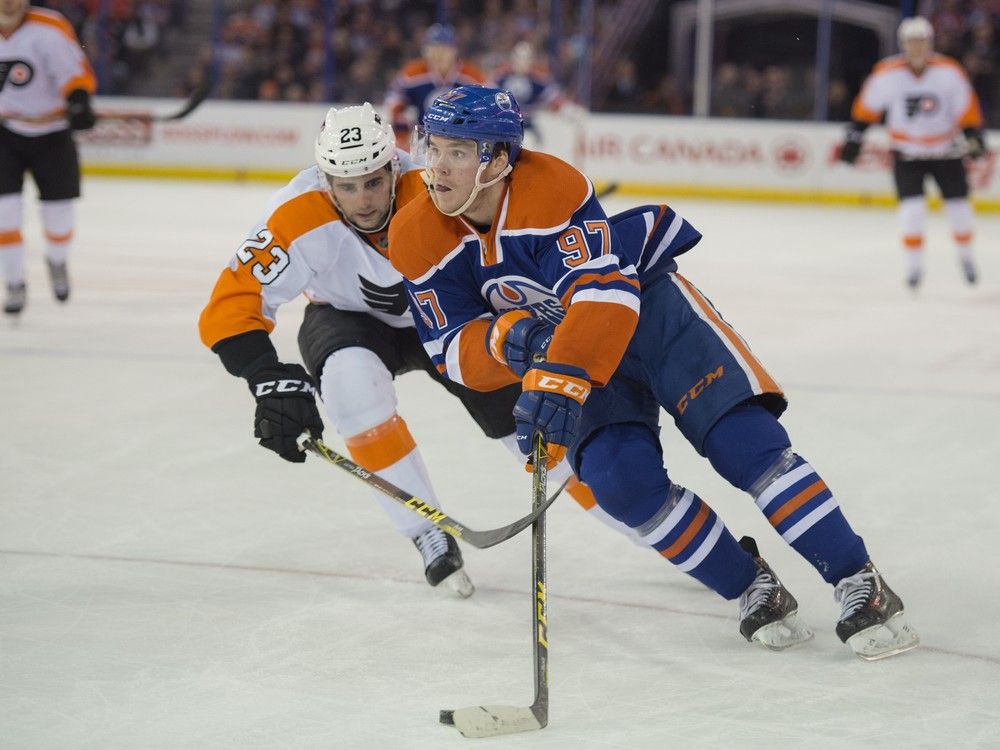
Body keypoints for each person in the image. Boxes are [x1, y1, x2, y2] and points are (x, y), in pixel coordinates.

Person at [389, 85, 919, 660]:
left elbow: (604, 296)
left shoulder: (552, 188)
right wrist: (510, 340)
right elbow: (449, 349)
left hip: (650, 318)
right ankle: (750, 585)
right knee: (622, 484)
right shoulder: (415, 232)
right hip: (569, 350)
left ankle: (857, 580)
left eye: (458, 153)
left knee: (746, 445)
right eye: (432, 147)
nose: (437, 168)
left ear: (498, 159)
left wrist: (555, 376)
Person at [198, 103, 608, 598]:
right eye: (345, 187)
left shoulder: (436, 185)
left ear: (394, 164)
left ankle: (647, 524)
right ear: (325, 179)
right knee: (349, 385)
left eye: (373, 181)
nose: (363, 200)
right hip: (349, 319)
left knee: (537, 425)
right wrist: (265, 376)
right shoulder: (294, 213)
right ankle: (425, 529)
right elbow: (230, 305)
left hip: (453, 317)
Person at [839, 16, 987, 289]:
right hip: (907, 152)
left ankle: (966, 258)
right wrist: (855, 137)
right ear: (903, 44)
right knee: (912, 210)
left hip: (945, 150)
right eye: (911, 41)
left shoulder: (949, 71)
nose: (916, 47)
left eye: (921, 41)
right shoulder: (887, 72)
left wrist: (973, 135)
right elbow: (866, 108)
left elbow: (966, 107)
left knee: (960, 209)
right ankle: (914, 266)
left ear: (929, 42)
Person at [0, 0, 96, 315]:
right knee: (4, 213)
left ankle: (56, 260)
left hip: (53, 133)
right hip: (5, 131)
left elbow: (73, 72)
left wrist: (78, 100)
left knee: (59, 216)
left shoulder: (50, 27)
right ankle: (14, 281)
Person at [383, 22, 490, 150]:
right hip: (423, 142)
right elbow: (393, 98)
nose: (439, 53)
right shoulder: (412, 73)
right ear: (425, 50)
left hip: (463, 141)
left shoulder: (471, 75)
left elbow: (489, 102)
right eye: (434, 47)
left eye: (444, 48)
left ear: (455, 50)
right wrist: (402, 132)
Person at [493, 41, 581, 148]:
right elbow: (487, 94)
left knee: (531, 144)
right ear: (512, 59)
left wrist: (569, 109)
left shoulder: (537, 80)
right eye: (519, 58)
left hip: (527, 125)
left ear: (531, 60)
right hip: (504, 124)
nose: (521, 62)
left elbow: (554, 98)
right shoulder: (501, 77)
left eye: (526, 58)